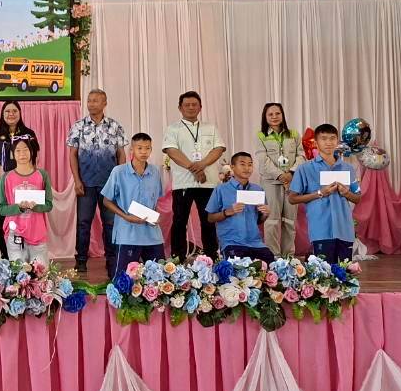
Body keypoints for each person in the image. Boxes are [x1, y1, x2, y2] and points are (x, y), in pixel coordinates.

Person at [67, 88, 127, 276]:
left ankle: (112, 261)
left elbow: (121, 154)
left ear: (104, 103)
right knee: (83, 223)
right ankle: (81, 261)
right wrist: (77, 180)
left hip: (109, 185)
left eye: (95, 100)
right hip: (86, 183)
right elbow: (72, 155)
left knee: (110, 224)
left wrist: (119, 180)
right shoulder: (78, 126)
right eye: (89, 100)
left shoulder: (115, 126)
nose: (91, 104)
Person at [162, 91, 225, 259]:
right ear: (180, 108)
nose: (191, 107)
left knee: (208, 220)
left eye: (194, 104)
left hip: (208, 182)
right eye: (187, 105)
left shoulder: (210, 128)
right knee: (180, 220)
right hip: (183, 183)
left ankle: (211, 256)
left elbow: (218, 149)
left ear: (200, 107)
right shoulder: (173, 129)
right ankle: (177, 258)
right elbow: (172, 151)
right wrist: (194, 169)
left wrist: (202, 165)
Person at [288, 123, 362, 263]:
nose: (328, 142)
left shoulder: (347, 168)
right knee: (324, 273)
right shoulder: (305, 168)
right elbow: (292, 198)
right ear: (316, 143)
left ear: (337, 141)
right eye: (324, 138)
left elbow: (357, 198)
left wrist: (346, 193)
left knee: (344, 272)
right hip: (320, 230)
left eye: (332, 138)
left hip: (345, 230)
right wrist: (320, 193)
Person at [101, 133, 167, 276]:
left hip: (152, 235)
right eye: (139, 148)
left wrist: (156, 216)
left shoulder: (155, 172)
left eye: (147, 148)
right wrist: (126, 217)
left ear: (151, 149)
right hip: (127, 234)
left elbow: (155, 200)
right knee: (124, 279)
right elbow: (106, 200)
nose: (144, 152)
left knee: (160, 279)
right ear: (131, 149)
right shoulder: (118, 172)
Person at [0, 100, 36, 259]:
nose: (11, 114)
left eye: (14, 111)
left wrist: (23, 178)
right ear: (2, 114)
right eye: (7, 111)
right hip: (2, 183)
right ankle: (6, 258)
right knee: (3, 218)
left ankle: (25, 257)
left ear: (20, 113)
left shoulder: (29, 133)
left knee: (26, 217)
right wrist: (6, 178)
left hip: (25, 184)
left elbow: (34, 158)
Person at [205, 152, 274, 261]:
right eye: (242, 164)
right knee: (239, 268)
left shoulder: (258, 190)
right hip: (232, 243)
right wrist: (227, 212)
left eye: (250, 164)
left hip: (255, 243)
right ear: (232, 167)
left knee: (271, 265)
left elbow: (258, 221)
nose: (247, 168)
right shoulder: (221, 189)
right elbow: (210, 218)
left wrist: (265, 215)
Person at [256, 102, 303, 258]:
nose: (274, 117)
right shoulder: (261, 135)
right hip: (271, 182)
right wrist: (280, 175)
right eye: (270, 114)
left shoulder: (294, 134)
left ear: (282, 115)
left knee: (290, 221)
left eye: (277, 113)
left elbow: (301, 156)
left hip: (292, 182)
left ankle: (288, 256)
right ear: (265, 117)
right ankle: (274, 256)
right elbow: (263, 160)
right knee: (272, 221)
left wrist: (291, 172)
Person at [0, 137, 54, 264]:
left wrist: (36, 206)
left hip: (37, 234)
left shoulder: (42, 175)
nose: (22, 154)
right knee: (19, 272)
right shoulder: (6, 177)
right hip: (15, 233)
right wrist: (19, 207)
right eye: (18, 150)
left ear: (31, 152)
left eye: (25, 149)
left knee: (39, 272)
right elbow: (1, 208)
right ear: (13, 154)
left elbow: (49, 204)